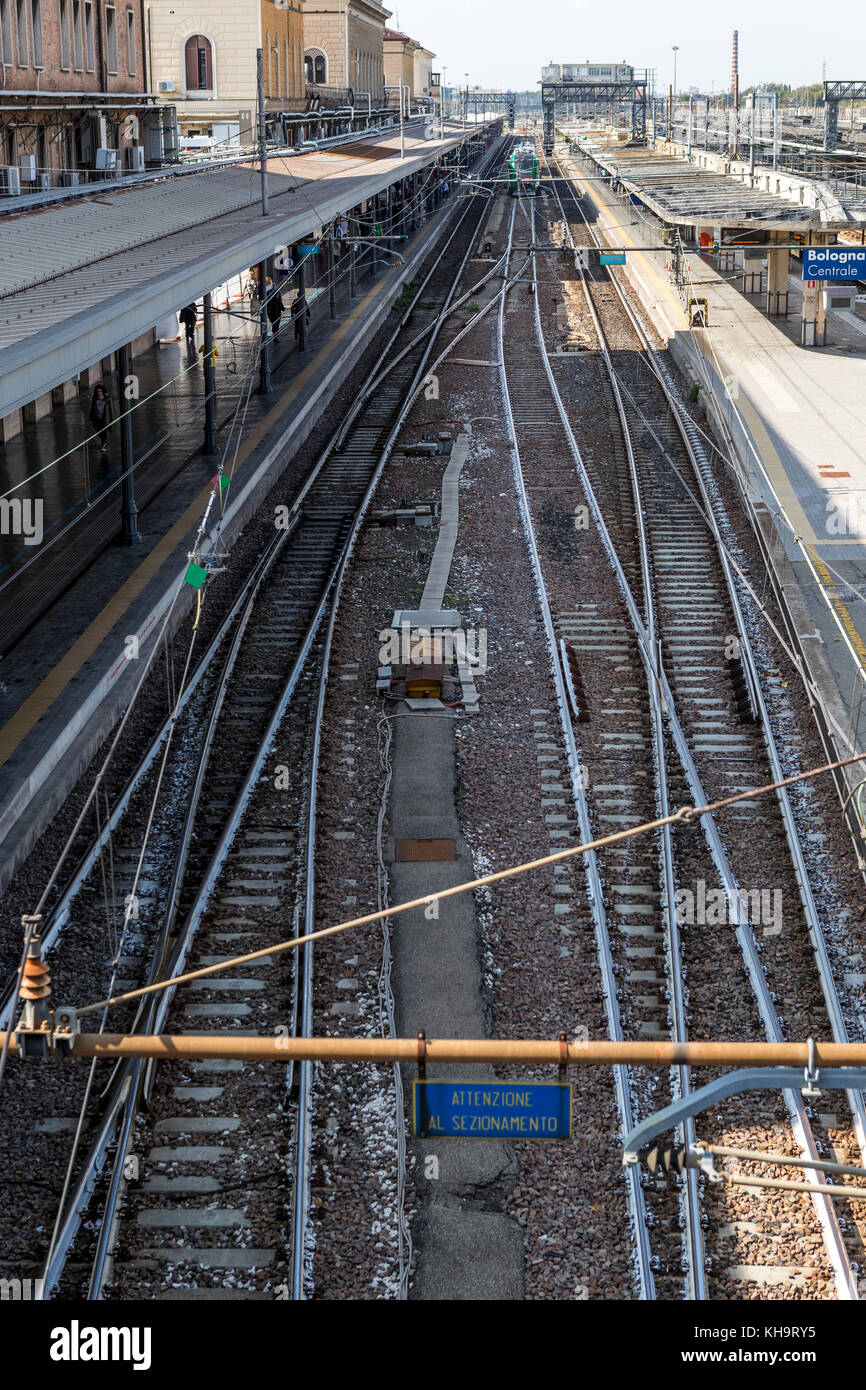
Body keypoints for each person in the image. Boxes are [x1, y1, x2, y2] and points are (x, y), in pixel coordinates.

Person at [89, 383, 112, 453]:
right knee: (98, 431)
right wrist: (91, 418)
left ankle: (103, 445)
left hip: (104, 419)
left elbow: (110, 410)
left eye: (99, 391)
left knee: (104, 432)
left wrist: (111, 420)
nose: (98, 393)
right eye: (97, 391)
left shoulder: (107, 399)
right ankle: (104, 442)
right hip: (97, 419)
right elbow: (92, 408)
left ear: (102, 391)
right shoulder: (95, 399)